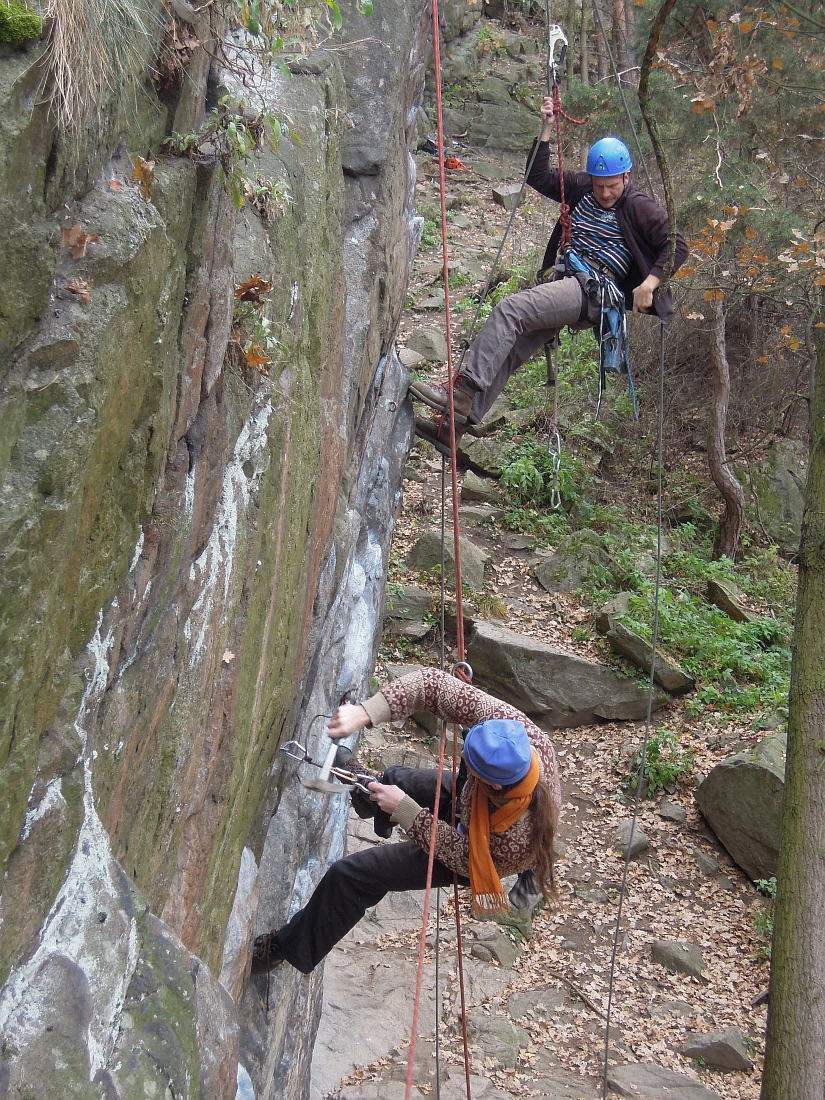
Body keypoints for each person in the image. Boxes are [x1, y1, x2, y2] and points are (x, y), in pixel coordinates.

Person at [410, 96, 689, 455]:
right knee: (511, 347)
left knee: (511, 310)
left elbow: (676, 244)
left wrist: (649, 283)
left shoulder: (639, 205)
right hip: (567, 281)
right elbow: (538, 176)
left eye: (612, 185)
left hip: (592, 289)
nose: (604, 192)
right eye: (599, 183)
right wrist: (545, 129)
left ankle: (461, 393)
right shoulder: (582, 187)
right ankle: (454, 429)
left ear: (627, 176)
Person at [251, 666, 561, 975]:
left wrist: (406, 811)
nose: (463, 759)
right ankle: (371, 797)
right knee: (396, 780)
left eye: (469, 763)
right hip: (475, 801)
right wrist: (365, 713)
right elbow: (431, 685)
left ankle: (285, 948)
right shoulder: (513, 732)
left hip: (478, 855)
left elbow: (463, 857)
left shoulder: (517, 842)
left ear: (492, 785)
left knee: (352, 875)